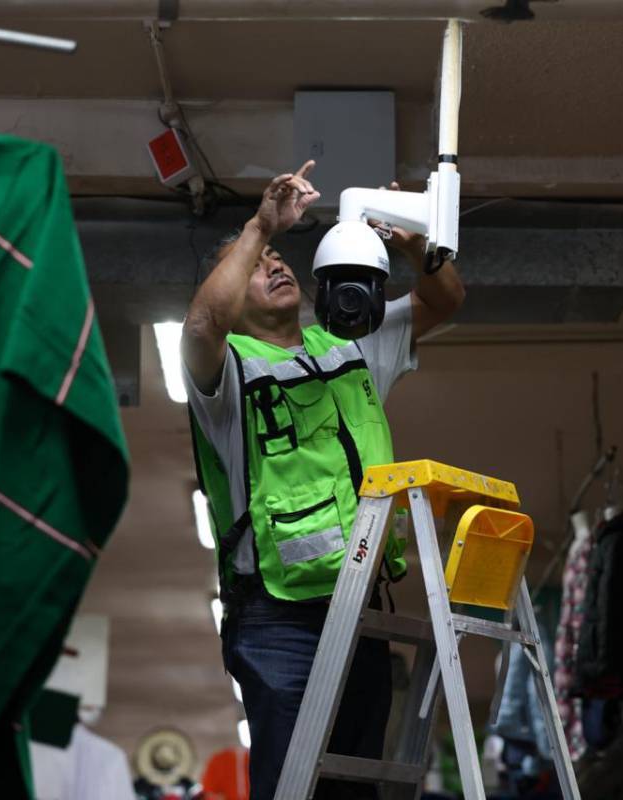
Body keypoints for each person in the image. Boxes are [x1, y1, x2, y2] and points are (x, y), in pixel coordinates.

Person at [181, 160, 465, 799]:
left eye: (279, 256)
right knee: (293, 785)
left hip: (357, 605)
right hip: (275, 617)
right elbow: (202, 324)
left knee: (351, 785)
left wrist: (416, 242)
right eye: (256, 265)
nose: (275, 265)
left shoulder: (350, 345)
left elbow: (445, 299)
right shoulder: (224, 376)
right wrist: (259, 225)